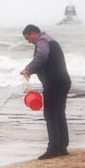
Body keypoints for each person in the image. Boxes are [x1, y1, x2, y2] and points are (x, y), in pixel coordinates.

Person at [20, 24, 71, 159]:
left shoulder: (42, 41)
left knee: (50, 114)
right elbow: (48, 60)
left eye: (27, 38)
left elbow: (42, 55)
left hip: (54, 83)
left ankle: (54, 148)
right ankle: (62, 146)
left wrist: (29, 69)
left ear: (33, 34)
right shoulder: (49, 40)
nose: (29, 41)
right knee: (59, 113)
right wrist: (32, 70)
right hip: (63, 81)